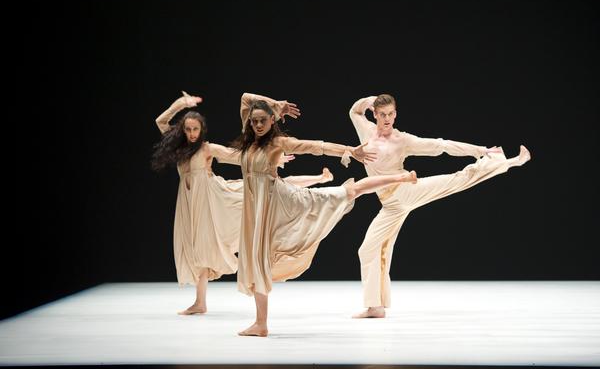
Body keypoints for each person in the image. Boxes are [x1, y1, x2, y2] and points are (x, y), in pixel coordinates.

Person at [231, 93, 419, 337]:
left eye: (262, 121)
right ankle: (261, 323)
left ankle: (401, 177)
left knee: (345, 193)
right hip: (255, 208)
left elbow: (315, 147)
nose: (257, 125)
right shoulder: (249, 141)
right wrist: (278, 105)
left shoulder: (277, 142)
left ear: (272, 122)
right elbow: (246, 98)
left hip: (278, 201)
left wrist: (349, 150)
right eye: (254, 121)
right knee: (257, 260)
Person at [349, 94, 531, 318]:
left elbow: (441, 146)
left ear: (396, 114)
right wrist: (369, 99)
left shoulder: (402, 140)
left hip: (406, 192)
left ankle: (506, 161)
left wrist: (480, 150)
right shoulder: (366, 132)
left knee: (455, 180)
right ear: (375, 114)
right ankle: (375, 307)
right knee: (369, 249)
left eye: (391, 114)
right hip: (390, 205)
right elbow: (354, 112)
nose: (387, 119)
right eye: (382, 114)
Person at [152, 92, 335, 315]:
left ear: (202, 131)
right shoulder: (179, 149)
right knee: (194, 247)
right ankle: (200, 302)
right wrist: (181, 104)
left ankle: (318, 178)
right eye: (188, 129)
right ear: (183, 130)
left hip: (212, 198)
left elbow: (239, 156)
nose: (192, 133)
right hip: (188, 202)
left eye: (195, 129)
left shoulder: (208, 149)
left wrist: (272, 157)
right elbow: (160, 121)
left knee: (279, 184)